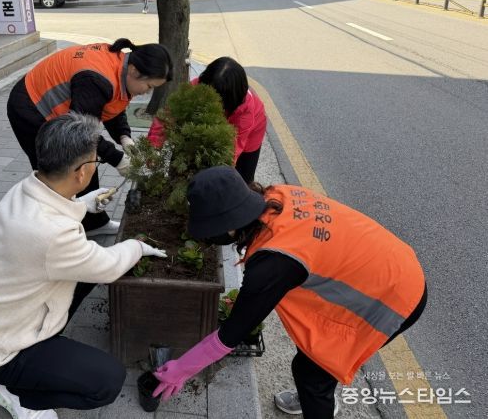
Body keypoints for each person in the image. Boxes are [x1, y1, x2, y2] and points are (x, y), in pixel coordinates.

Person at [152, 166, 427, 418]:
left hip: (395, 296)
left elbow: (231, 334)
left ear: (231, 226)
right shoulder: (276, 196)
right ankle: (316, 399)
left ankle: (318, 402)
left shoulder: (272, 263)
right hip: (390, 262)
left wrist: (181, 369)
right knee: (312, 352)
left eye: (210, 230)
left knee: (312, 375)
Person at [0, 112, 167, 419]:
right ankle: (19, 396)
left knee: (85, 275)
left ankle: (41, 357)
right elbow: (109, 266)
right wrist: (137, 246)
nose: (95, 166)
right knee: (108, 381)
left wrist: (83, 203)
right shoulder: (53, 235)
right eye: (96, 161)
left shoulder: (23, 189)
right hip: (3, 352)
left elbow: (49, 223)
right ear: (81, 172)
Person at [6, 38, 172, 237]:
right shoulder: (96, 78)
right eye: (149, 85)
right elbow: (83, 133)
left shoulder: (119, 68)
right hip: (31, 108)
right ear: (134, 70)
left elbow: (112, 105)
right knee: (56, 172)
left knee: (86, 162)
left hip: (58, 109)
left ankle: (93, 223)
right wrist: (117, 159)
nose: (148, 92)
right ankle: (57, 232)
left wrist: (124, 137)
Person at [147, 57, 267, 183]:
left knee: (240, 180)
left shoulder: (244, 112)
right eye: (209, 93)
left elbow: (229, 153)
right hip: (201, 127)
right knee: (180, 168)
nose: (212, 101)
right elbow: (166, 117)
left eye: (219, 100)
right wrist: (153, 148)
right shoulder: (195, 88)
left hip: (251, 132)